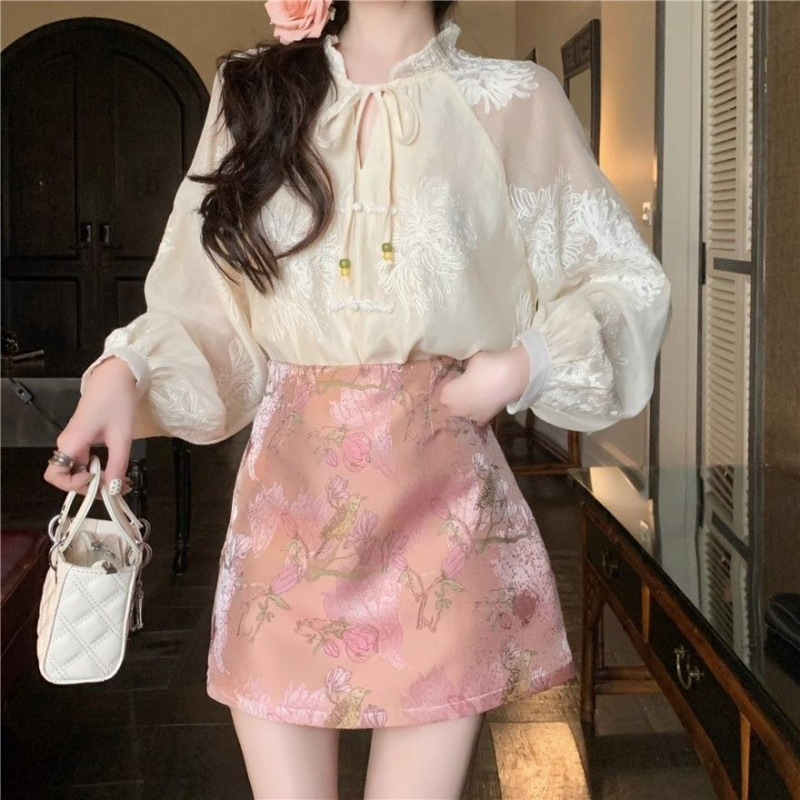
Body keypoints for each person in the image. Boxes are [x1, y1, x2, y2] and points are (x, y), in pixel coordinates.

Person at [43, 1, 672, 797]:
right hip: (287, 517)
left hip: (443, 516)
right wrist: (124, 369)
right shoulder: (251, 93)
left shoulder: (516, 100)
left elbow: (620, 280)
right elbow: (204, 304)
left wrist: (524, 364)